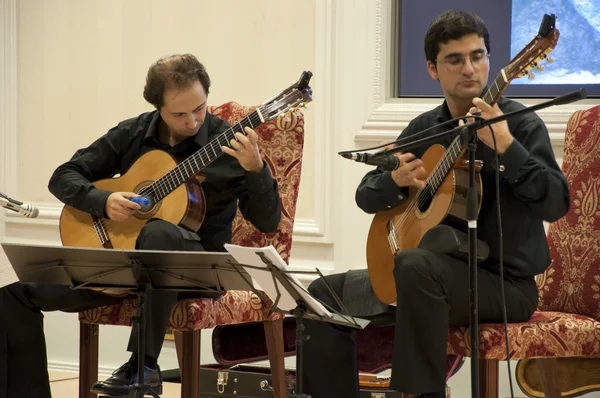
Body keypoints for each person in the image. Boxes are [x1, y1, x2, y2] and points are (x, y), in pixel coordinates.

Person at [302, 10, 569, 398]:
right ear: (432, 69)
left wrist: (507, 147)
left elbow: (556, 204)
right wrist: (395, 180)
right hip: (426, 275)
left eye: (477, 56)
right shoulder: (426, 129)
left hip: (504, 283)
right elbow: (366, 194)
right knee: (323, 293)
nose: (469, 68)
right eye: (455, 60)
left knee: (414, 265)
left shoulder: (521, 125)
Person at [0, 53, 281, 398]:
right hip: (120, 265)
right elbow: (63, 177)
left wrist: (256, 169)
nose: (192, 121)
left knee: (159, 232)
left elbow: (268, 222)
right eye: (179, 114)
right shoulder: (133, 133)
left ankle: (143, 365)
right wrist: (102, 201)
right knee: (14, 291)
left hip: (194, 271)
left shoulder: (231, 146)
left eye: (200, 108)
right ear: (157, 107)